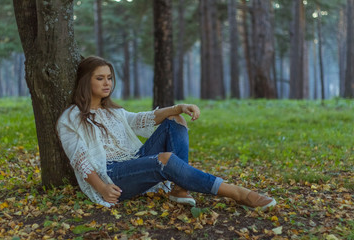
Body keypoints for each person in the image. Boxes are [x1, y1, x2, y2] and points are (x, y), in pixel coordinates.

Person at [56, 56, 276, 211]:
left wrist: (178, 108)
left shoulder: (114, 111)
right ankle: (238, 193)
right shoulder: (71, 118)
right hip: (112, 175)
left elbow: (140, 119)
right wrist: (102, 188)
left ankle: (180, 189)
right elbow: (80, 160)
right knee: (165, 159)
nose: (107, 83)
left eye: (110, 78)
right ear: (86, 81)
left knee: (175, 121)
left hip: (134, 161)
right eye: (100, 78)